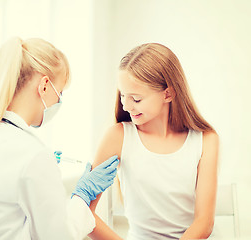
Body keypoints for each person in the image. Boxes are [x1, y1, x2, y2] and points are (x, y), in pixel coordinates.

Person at [0, 37, 119, 240]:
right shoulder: (33, 154)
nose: (59, 101)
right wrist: (82, 196)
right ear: (44, 86)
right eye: (60, 93)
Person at [88, 43, 219, 240]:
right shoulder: (118, 136)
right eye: (123, 95)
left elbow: (204, 223)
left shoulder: (206, 140)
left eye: (137, 99)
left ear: (168, 94)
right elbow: (85, 213)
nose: (126, 105)